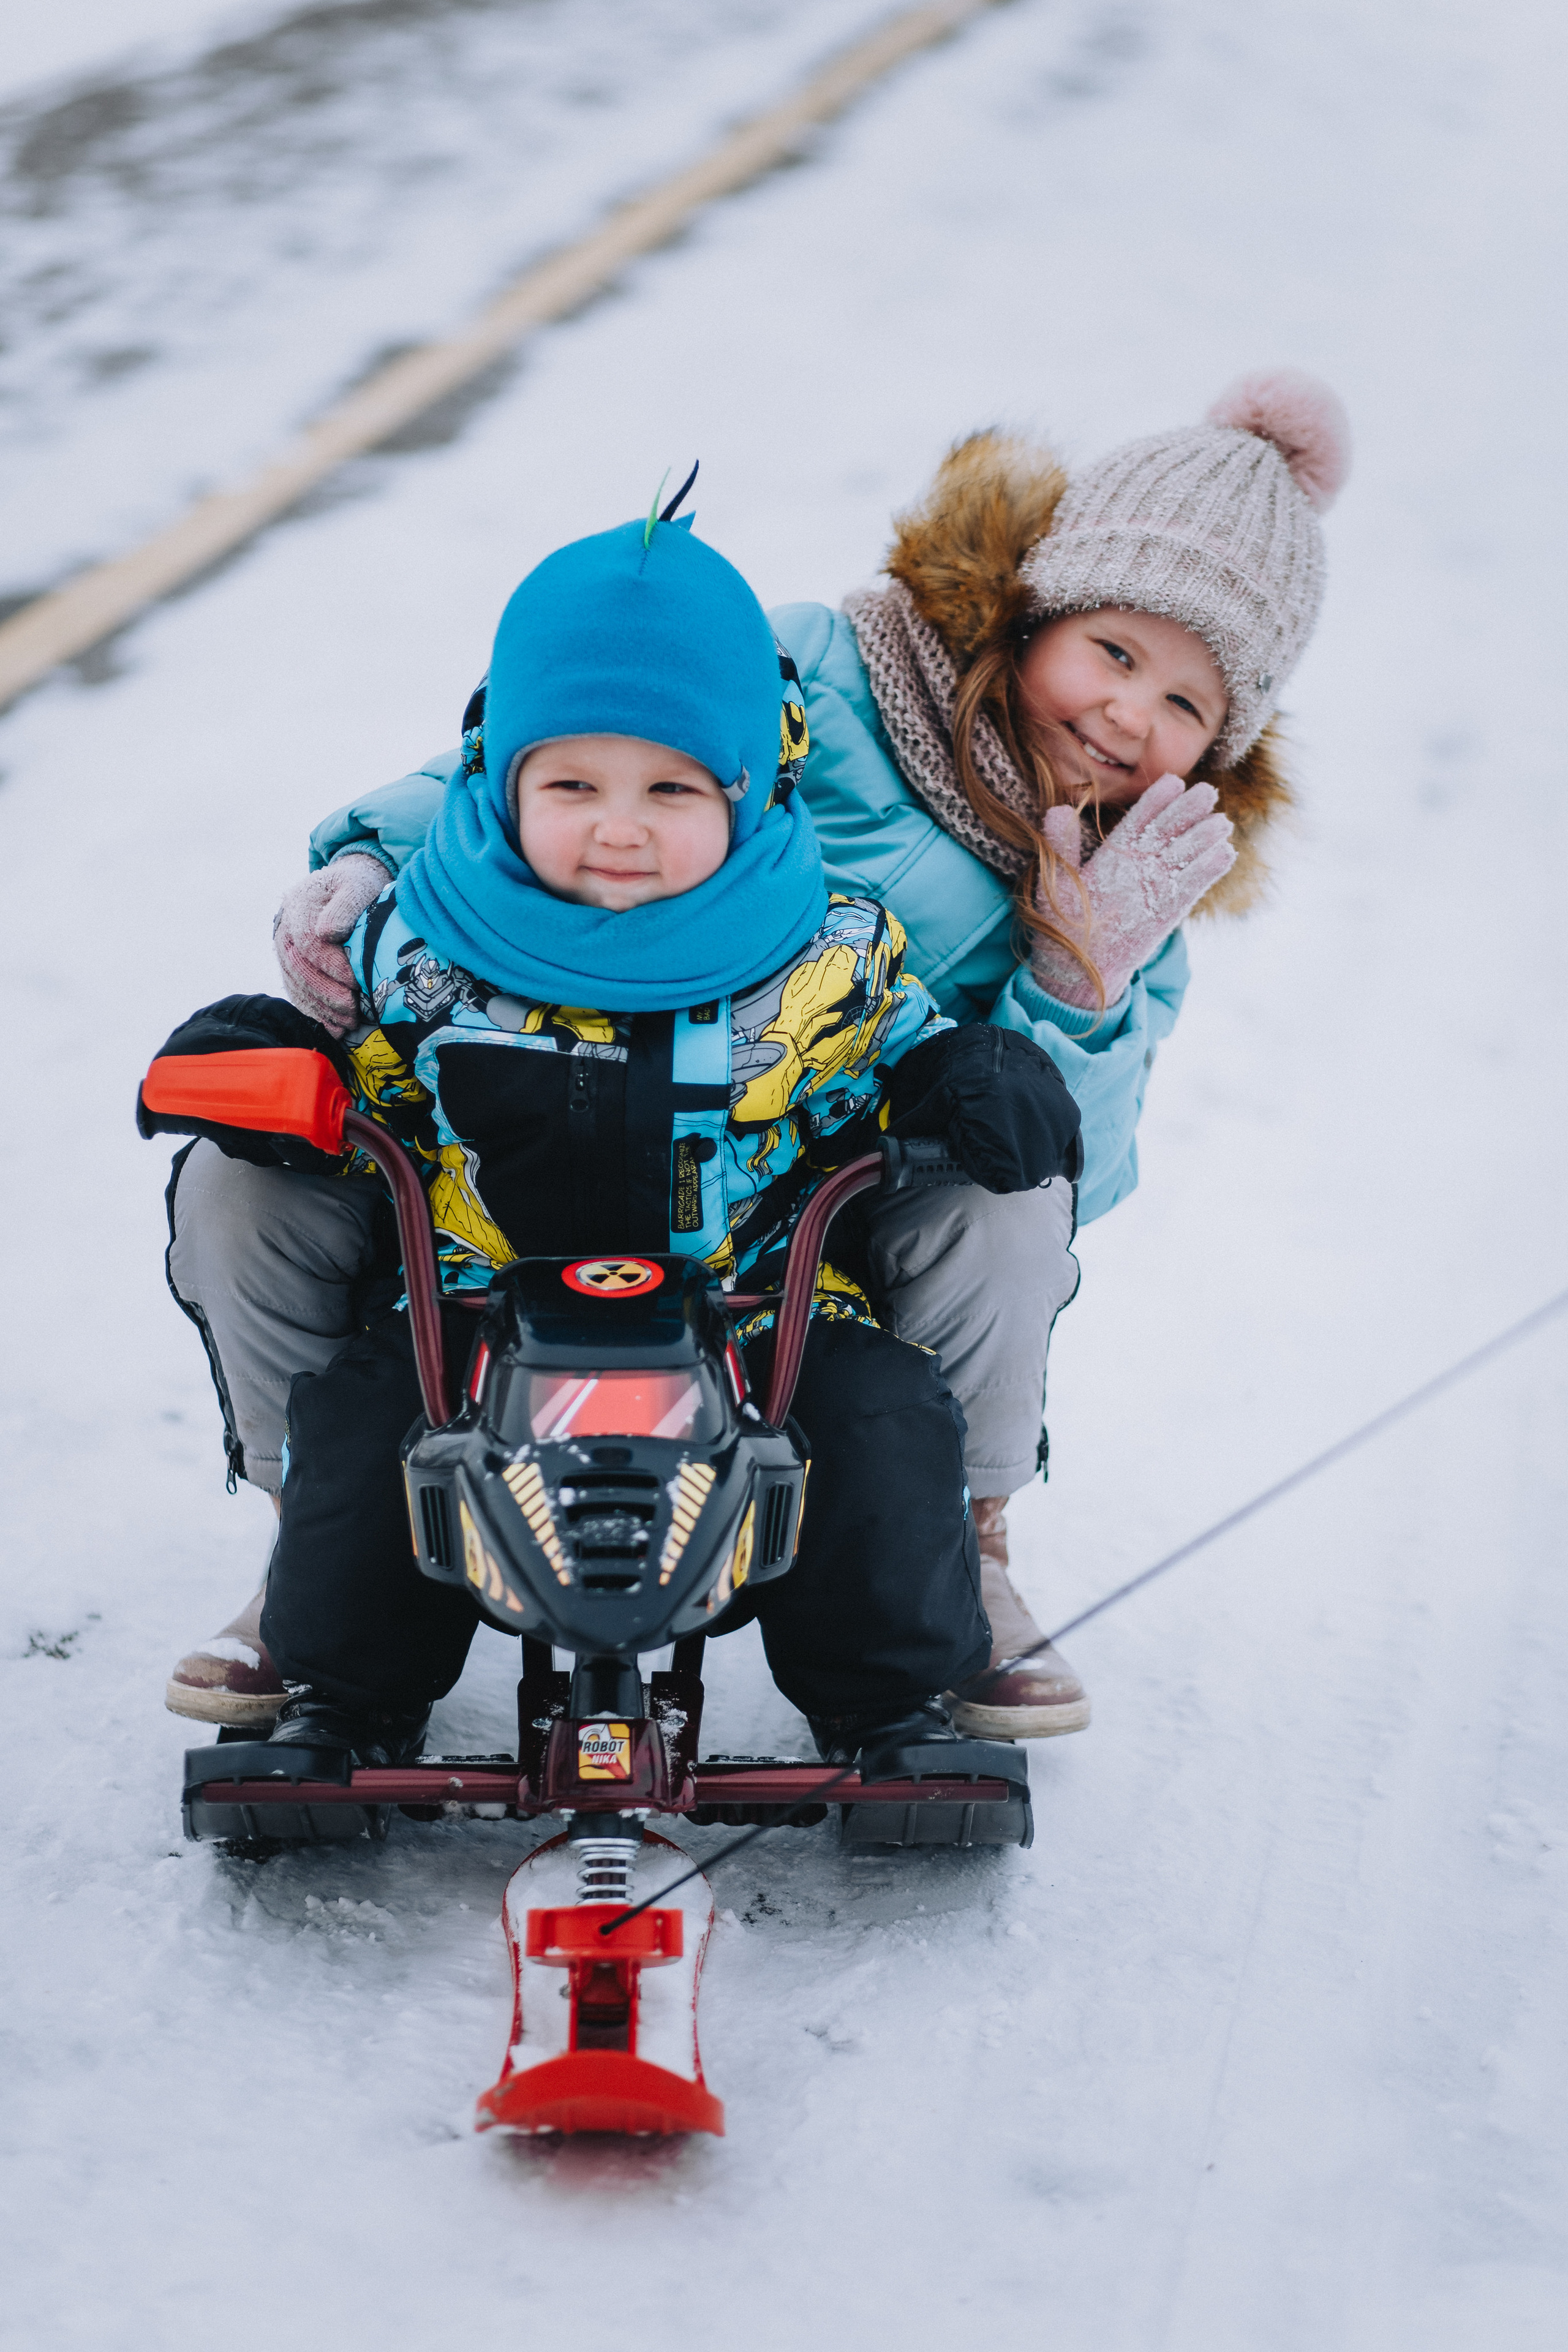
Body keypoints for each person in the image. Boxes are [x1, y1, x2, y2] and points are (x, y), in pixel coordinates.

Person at [166, 370, 1350, 1738]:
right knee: (241, 1180)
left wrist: (1072, 986)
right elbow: (560, 739)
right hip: (505, 1192)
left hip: (806, 1194)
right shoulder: (823, 666)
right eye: (1114, 652)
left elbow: (1065, 1159)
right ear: (1036, 603)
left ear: (1224, 748)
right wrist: (372, 863)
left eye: (1188, 707)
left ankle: (955, 1559)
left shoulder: (1138, 884)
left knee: (1001, 1216)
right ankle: (305, 1553)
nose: (1129, 718)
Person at [143, 505, 1080, 1766]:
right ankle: (340, 1689)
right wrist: (275, 1051)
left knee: (874, 1419)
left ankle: (889, 1699)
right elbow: (367, 1068)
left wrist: (967, 1071)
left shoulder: (825, 947)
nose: (619, 826)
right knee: (371, 1421)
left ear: (750, 791)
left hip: (756, 1307)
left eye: (670, 790)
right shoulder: (420, 938)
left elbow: (894, 1046)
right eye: (571, 785)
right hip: (469, 1305)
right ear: (500, 778)